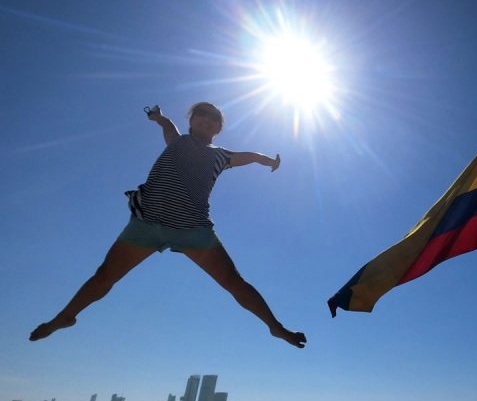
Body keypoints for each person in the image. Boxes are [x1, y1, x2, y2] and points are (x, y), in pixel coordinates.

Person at [29, 102, 306, 349]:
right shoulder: (177, 142)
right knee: (104, 276)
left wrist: (269, 160)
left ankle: (275, 327)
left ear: (218, 128)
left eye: (212, 121)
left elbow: (250, 156)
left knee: (234, 282)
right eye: (201, 118)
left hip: (193, 228)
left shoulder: (222, 156)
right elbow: (167, 126)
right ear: (192, 122)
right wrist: (158, 117)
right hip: (148, 222)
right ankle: (66, 316)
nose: (206, 122)